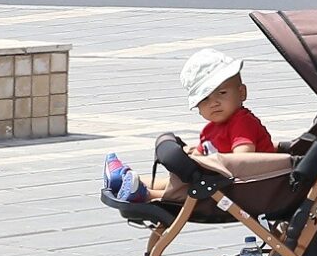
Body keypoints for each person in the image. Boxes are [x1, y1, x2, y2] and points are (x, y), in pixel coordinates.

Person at [102, 47, 274, 205]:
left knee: (190, 188)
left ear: (242, 93)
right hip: (217, 183)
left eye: (222, 93)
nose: (214, 103)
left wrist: (201, 163)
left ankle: (147, 195)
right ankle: (125, 179)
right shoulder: (210, 129)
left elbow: (243, 160)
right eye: (205, 98)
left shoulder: (242, 122)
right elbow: (202, 153)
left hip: (245, 188)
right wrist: (191, 157)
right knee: (179, 179)